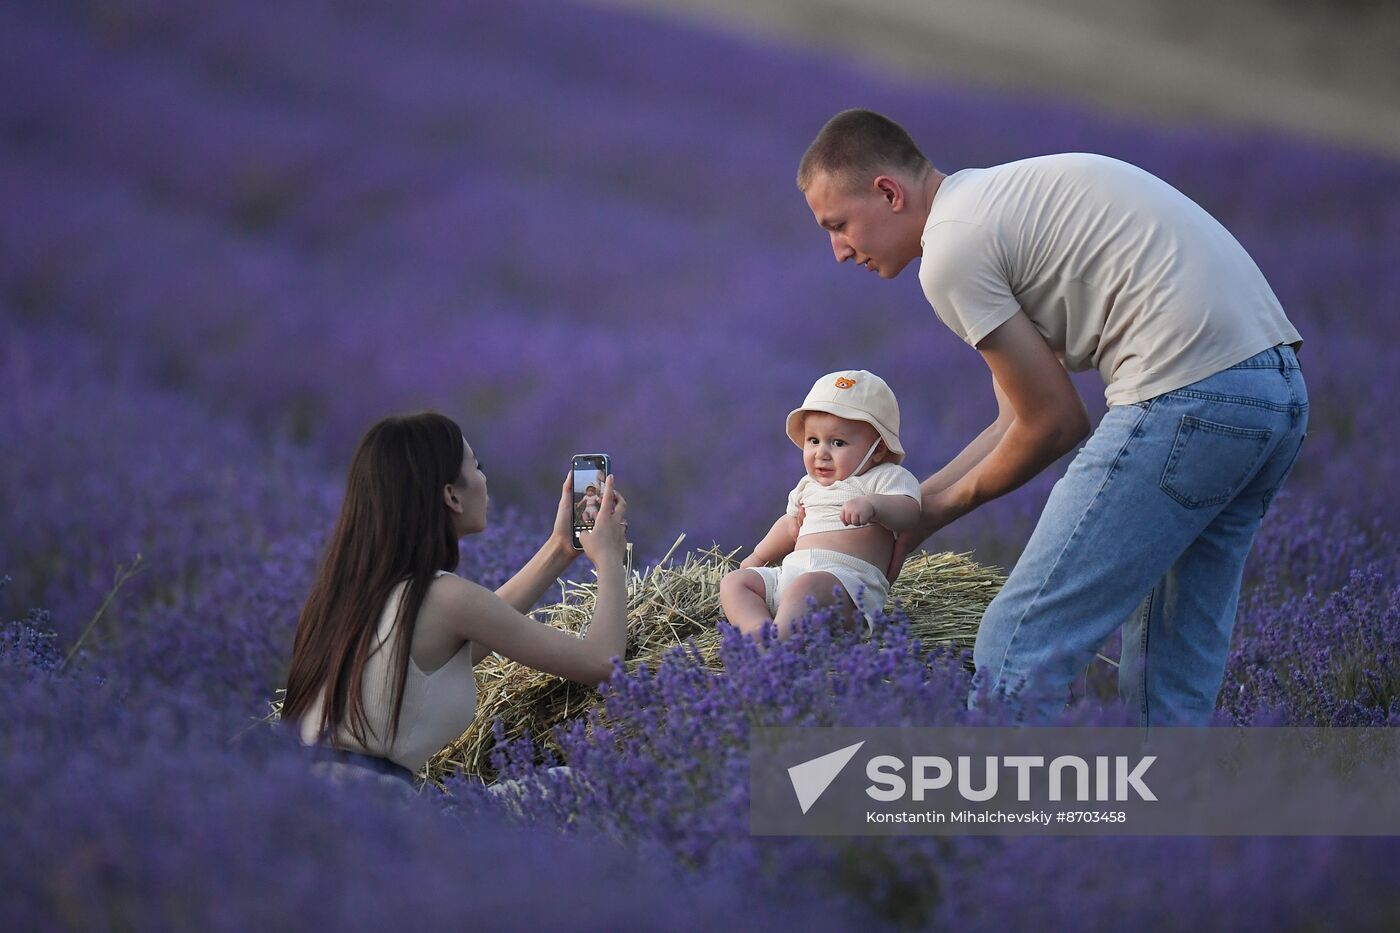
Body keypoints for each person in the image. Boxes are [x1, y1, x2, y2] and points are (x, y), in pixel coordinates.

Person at [797, 109, 1307, 725]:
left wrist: (933, 513)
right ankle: (1174, 815)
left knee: (1017, 644)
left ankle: (1004, 821)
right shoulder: (996, 205)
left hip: (1187, 397)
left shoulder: (951, 252)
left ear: (888, 192)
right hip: (1273, 393)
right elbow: (1014, 416)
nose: (838, 251)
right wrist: (908, 504)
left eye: (840, 225)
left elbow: (1055, 422)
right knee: (1170, 677)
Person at [281, 412, 629, 793]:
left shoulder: (344, 599)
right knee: (568, 787)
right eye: (477, 467)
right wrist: (610, 559)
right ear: (451, 495)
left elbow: (476, 635)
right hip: (377, 813)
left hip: (308, 801)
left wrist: (560, 549)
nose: (484, 479)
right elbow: (602, 663)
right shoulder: (444, 598)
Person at [720, 370, 921, 640]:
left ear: (878, 451)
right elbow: (790, 526)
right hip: (791, 576)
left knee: (806, 587)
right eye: (813, 441)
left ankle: (778, 644)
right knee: (734, 583)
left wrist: (875, 506)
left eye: (838, 443)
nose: (821, 453)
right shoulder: (807, 486)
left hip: (845, 588)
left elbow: (910, 513)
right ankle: (758, 633)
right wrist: (757, 558)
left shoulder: (885, 479)